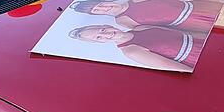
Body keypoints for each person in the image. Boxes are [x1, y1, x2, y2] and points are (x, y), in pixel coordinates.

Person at [69, 24, 204, 72]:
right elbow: (178, 68)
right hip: (202, 60)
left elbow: (185, 33)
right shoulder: (131, 51)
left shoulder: (140, 28)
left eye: (102, 29)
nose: (106, 34)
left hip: (209, 43)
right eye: (99, 37)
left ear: (105, 25)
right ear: (99, 43)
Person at [70, 0, 223, 32]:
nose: (104, 8)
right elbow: (163, 30)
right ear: (97, 15)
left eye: (100, 5)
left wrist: (217, 0)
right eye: (97, 11)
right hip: (194, 24)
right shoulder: (122, 21)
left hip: (202, 6)